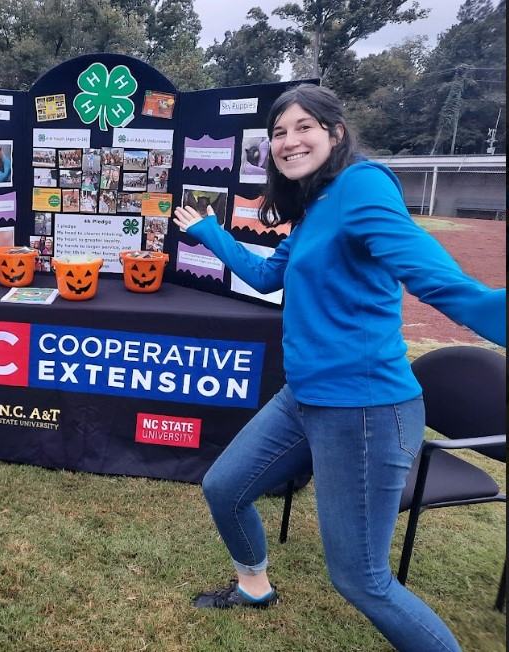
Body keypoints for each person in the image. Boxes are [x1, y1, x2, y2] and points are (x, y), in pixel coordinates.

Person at [172, 84, 505, 652]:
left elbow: (433, 277)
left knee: (361, 580)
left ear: (336, 132)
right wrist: (209, 235)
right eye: (278, 132)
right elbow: (267, 277)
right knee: (225, 487)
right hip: (304, 397)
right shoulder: (317, 207)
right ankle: (254, 587)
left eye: (304, 127)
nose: (289, 140)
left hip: (365, 409)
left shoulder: (363, 186)